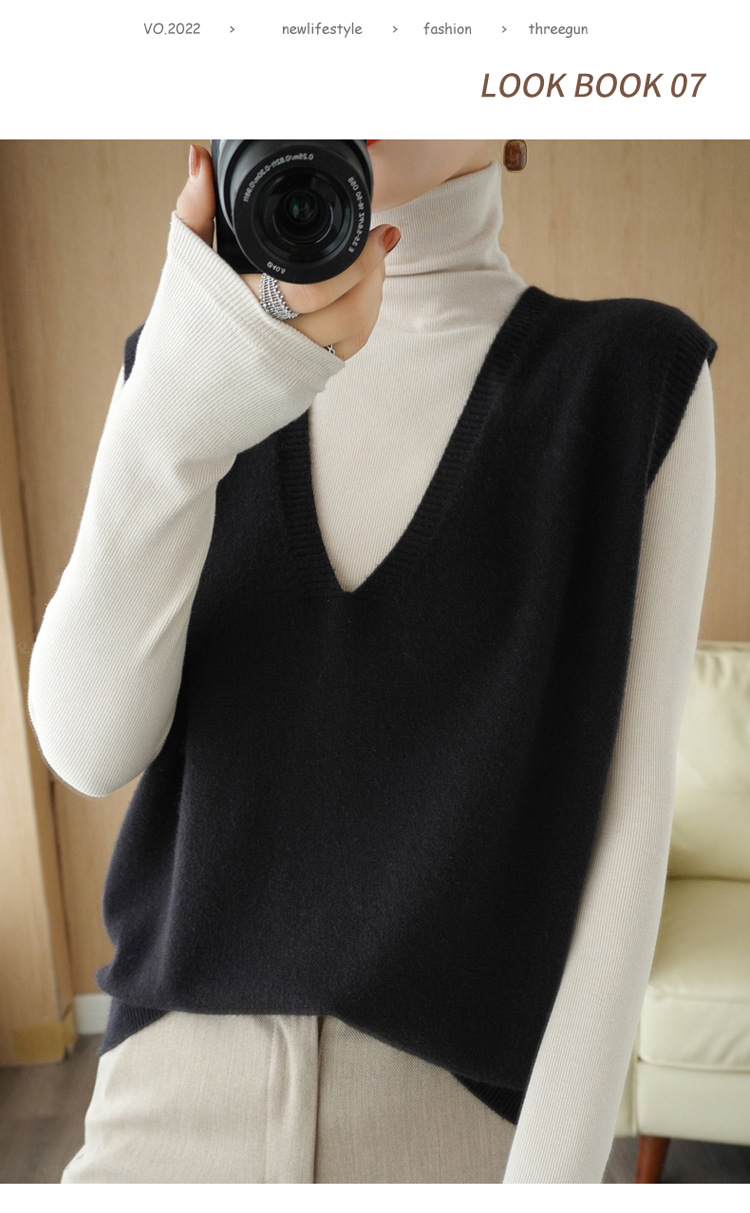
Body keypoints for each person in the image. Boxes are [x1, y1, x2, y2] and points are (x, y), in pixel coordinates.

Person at [28, 140, 716, 1183]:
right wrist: (170, 411)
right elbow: (89, 747)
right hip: (159, 1112)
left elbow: (631, 831)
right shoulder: (182, 373)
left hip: (455, 1130)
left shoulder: (628, 377)